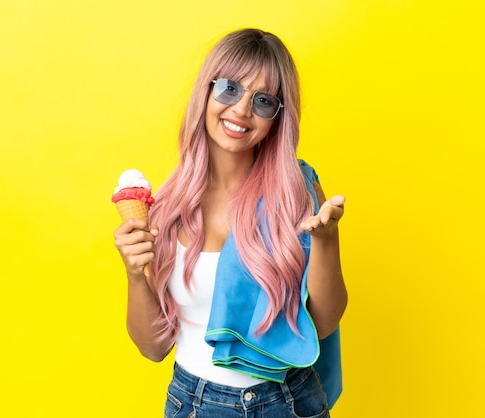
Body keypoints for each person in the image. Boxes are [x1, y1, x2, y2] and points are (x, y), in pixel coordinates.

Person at [114, 28, 348, 418]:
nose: (241, 110)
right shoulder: (166, 208)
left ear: (278, 118)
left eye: (263, 100)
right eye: (228, 88)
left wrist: (326, 240)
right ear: (205, 93)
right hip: (194, 404)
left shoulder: (298, 192)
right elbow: (152, 349)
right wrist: (136, 274)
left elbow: (323, 324)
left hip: (288, 401)